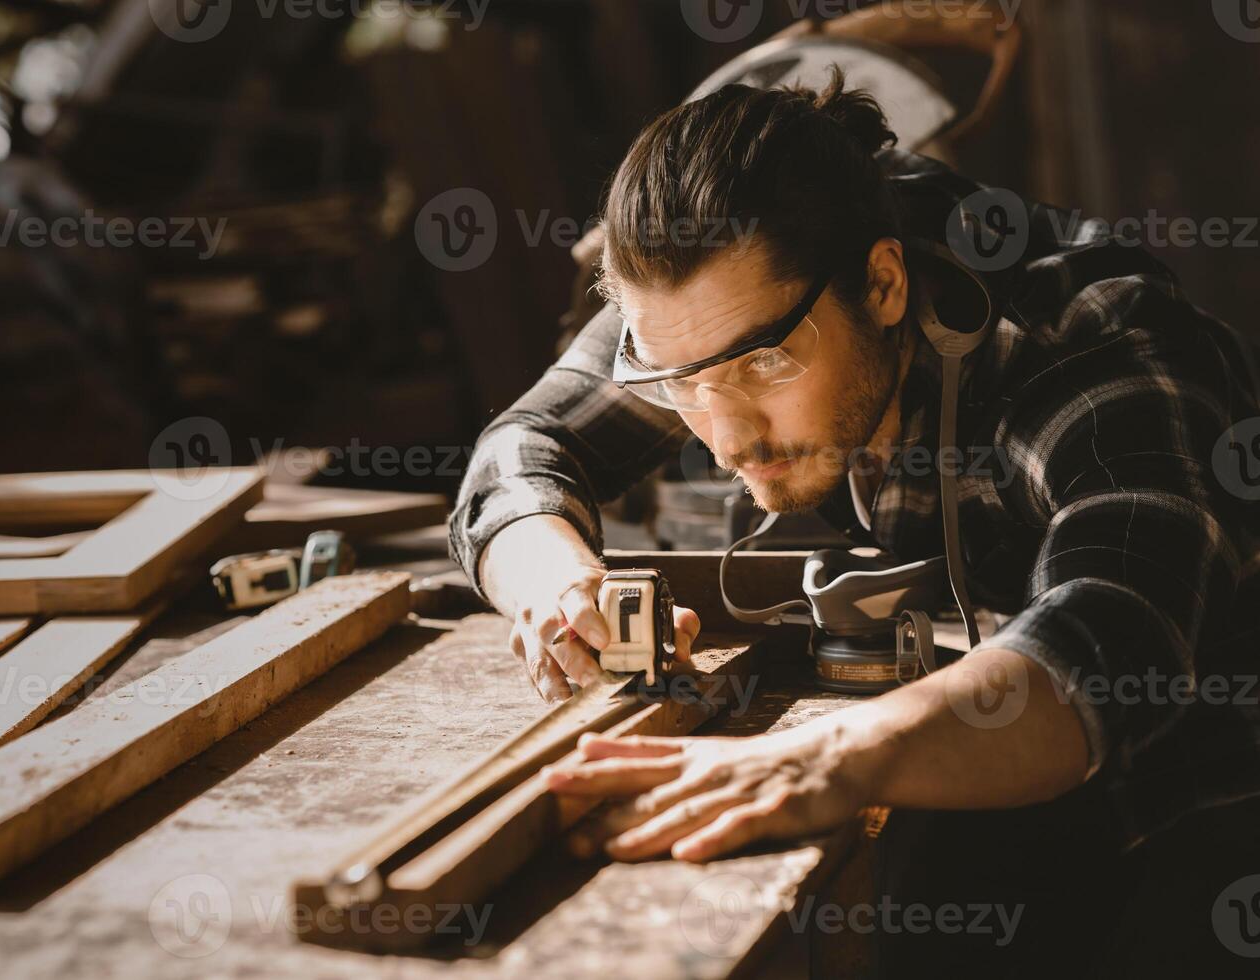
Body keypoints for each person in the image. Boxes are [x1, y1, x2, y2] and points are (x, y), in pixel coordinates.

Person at [447, 73, 1260, 970]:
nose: (726, 439)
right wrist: (561, 584)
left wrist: (825, 757)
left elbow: (1112, 634)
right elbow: (520, 450)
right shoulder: (707, 304)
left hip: (1205, 796)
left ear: (881, 283)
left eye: (763, 367)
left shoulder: (1086, 347)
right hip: (988, 738)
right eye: (681, 387)